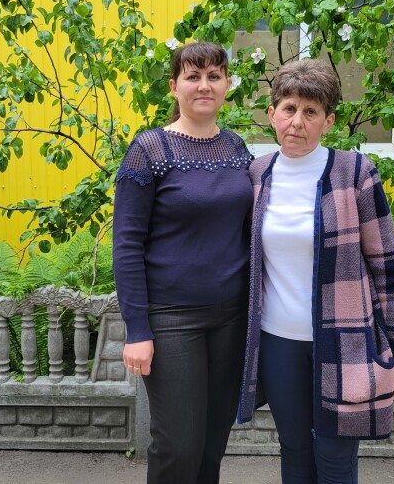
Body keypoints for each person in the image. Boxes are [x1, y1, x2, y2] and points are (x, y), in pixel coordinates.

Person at [237, 59, 394, 483]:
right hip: (279, 342)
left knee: (334, 458)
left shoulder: (354, 173)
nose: (297, 121)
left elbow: (389, 268)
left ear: (328, 121)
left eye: (310, 112)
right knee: (294, 451)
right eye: (289, 108)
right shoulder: (257, 175)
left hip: (344, 342)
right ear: (272, 113)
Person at [112, 41, 253, 484]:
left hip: (230, 317)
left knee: (212, 443)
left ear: (227, 84)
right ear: (175, 87)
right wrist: (137, 329)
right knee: (178, 445)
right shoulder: (149, 150)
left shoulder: (236, 148)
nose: (204, 85)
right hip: (171, 319)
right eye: (193, 77)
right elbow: (127, 244)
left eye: (214, 76)